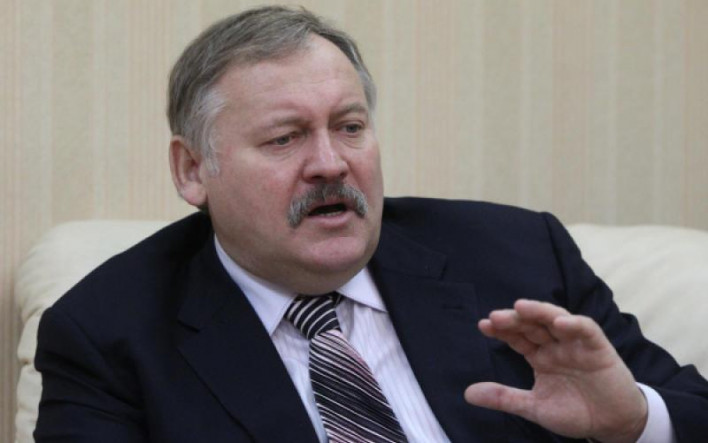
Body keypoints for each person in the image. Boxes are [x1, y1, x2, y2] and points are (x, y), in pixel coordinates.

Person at [34, 5, 708, 442]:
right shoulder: (107, 334)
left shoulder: (518, 256)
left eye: (350, 126)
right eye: (284, 138)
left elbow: (692, 409)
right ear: (192, 170)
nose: (331, 163)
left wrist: (634, 419)